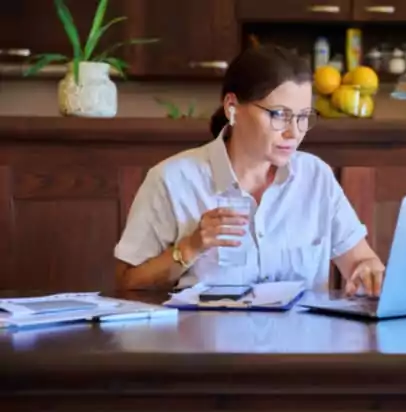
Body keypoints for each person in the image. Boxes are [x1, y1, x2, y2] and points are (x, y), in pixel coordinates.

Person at [114, 45, 384, 297]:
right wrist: (190, 247)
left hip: (302, 345)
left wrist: (369, 270)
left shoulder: (316, 177)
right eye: (279, 115)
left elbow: (361, 260)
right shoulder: (172, 180)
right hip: (207, 345)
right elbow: (128, 283)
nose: (294, 132)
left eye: (303, 117)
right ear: (232, 107)